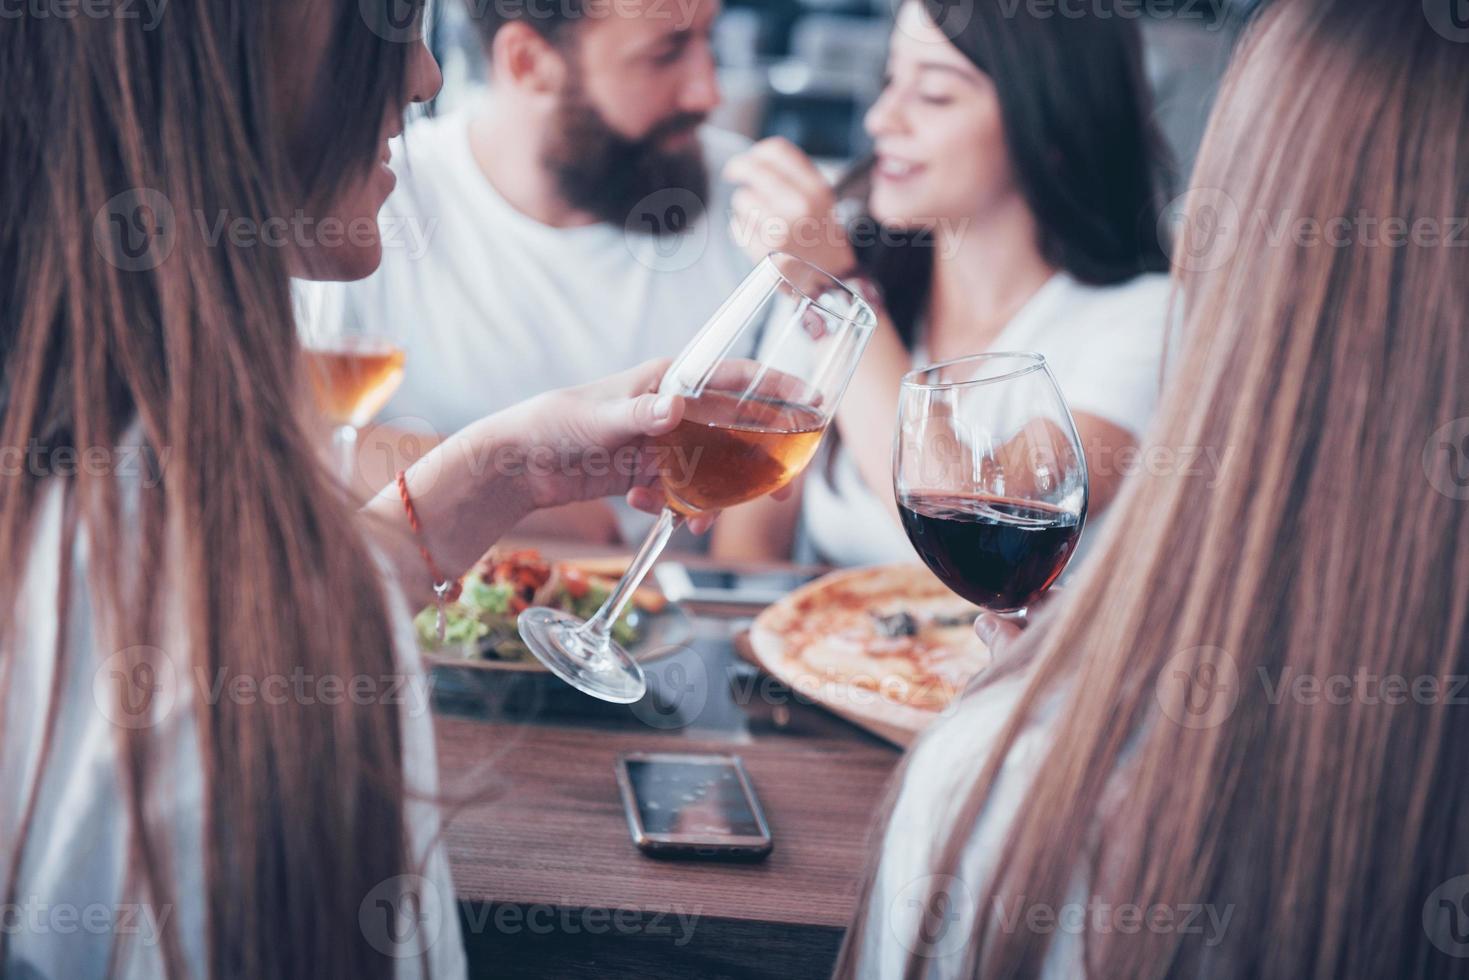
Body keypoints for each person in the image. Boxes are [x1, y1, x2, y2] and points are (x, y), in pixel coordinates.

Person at [0, 2, 713, 976]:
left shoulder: (111, 488)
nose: (422, 75)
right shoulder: (208, 634)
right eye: (378, 21)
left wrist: (493, 471)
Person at [838, 0, 1469, 975]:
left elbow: (962, 491)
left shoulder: (1010, 798)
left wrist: (1010, 718)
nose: (880, 119)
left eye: (931, 89)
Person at [712, 0, 1172, 567]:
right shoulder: (836, 260)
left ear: (1052, 121)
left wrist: (837, 293)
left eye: (933, 94)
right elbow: (747, 546)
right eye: (890, 79)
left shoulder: (1144, 320)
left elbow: (985, 543)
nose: (881, 118)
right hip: (819, 648)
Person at [301, 0, 755, 542]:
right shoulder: (362, 202)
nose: (708, 92)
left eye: (711, 41)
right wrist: (544, 502)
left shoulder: (756, 208)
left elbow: (755, 542)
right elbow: (302, 447)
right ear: (527, 62)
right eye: (666, 53)